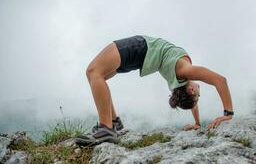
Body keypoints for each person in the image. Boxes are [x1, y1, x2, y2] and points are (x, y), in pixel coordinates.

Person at [75, 35, 234, 145]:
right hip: (141, 58)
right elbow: (203, 92)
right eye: (197, 99)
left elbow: (220, 81)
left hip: (141, 48)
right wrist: (197, 123)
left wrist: (227, 114)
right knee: (99, 77)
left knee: (93, 72)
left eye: (198, 97)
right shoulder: (179, 81)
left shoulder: (184, 74)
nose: (199, 96)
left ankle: (106, 128)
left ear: (192, 89)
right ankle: (114, 123)